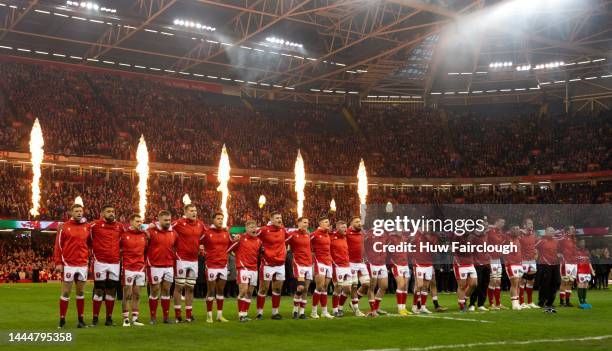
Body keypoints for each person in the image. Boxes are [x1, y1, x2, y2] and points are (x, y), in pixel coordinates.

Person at [54, 203, 91, 329]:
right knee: (65, 293)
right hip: (68, 264)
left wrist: (88, 257)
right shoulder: (64, 227)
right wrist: (58, 262)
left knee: (80, 292)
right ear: (71, 212)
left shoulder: (87, 227)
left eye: (80, 211)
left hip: (82, 264)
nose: (79, 213)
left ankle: (81, 320)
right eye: (76, 211)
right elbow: (58, 246)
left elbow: (91, 243)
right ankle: (62, 320)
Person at [90, 204, 124, 326]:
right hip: (100, 261)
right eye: (108, 211)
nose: (111, 213)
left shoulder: (119, 226)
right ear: (102, 213)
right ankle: (95, 318)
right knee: (99, 290)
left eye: (113, 211)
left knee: (111, 290)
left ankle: (109, 319)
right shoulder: (94, 225)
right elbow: (84, 232)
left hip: (115, 262)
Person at [172, 203, 206, 323]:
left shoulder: (201, 225)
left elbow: (205, 237)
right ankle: (177, 315)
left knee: (190, 288)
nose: (194, 212)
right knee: (179, 286)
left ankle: (188, 315)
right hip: (181, 258)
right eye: (191, 210)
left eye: (195, 210)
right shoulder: (179, 223)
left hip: (194, 260)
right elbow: (166, 226)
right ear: (185, 212)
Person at [146, 210, 177, 324]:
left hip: (169, 265)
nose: (168, 222)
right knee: (155, 290)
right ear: (159, 220)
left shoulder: (173, 232)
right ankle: (153, 317)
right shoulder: (151, 231)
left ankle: (166, 317)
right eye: (165, 220)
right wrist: (147, 226)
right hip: (154, 265)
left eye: (169, 220)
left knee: (166, 290)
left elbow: (176, 246)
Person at [201, 212, 232, 323]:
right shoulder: (207, 233)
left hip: (223, 264)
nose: (220, 220)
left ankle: (219, 315)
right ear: (213, 220)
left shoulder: (226, 233)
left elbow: (231, 245)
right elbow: (197, 242)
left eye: (221, 219)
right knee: (210, 291)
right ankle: (209, 316)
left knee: (220, 290)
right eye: (218, 218)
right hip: (211, 265)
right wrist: (202, 251)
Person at [256, 211, 288, 320]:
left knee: (277, 289)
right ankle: (259, 313)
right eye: (277, 218)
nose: (280, 220)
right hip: (267, 264)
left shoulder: (283, 229)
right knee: (264, 288)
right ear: (271, 219)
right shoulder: (264, 230)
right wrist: (260, 249)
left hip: (280, 264)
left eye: (281, 217)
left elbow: (291, 237)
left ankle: (275, 313)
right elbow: (252, 235)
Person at [228, 220, 262, 322]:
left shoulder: (259, 241)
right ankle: (241, 315)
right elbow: (229, 249)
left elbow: (260, 254)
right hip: (243, 268)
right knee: (243, 291)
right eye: (251, 227)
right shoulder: (241, 238)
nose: (253, 229)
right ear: (246, 229)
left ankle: (244, 313)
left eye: (255, 227)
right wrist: (234, 240)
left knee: (250, 292)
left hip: (254, 268)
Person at [120, 214, 147, 327]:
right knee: (128, 294)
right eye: (137, 221)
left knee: (137, 294)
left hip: (140, 267)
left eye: (141, 221)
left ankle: (135, 318)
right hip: (128, 267)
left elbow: (147, 250)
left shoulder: (144, 235)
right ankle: (126, 318)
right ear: (131, 222)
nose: (139, 223)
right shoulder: (124, 235)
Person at [285, 217, 312, 319]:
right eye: (304, 222)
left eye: (307, 222)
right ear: (299, 223)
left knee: (305, 289)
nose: (306, 224)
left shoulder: (308, 234)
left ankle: (302, 312)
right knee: (300, 287)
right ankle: (295, 310)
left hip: (309, 264)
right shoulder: (292, 234)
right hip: (298, 264)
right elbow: (282, 242)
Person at [310, 217, 335, 319]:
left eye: (328, 222)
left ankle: (324, 311)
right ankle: (313, 311)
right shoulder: (315, 234)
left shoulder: (328, 234)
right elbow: (306, 243)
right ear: (320, 223)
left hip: (328, 262)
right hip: (319, 262)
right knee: (319, 286)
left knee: (325, 287)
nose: (328, 224)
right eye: (325, 222)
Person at [364, 228, 389, 317]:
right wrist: (366, 259)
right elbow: (362, 246)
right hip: (372, 263)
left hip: (382, 263)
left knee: (384, 286)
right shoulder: (368, 234)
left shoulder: (385, 233)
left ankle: (376, 307)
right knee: (372, 287)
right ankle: (373, 310)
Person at [536, 227, 560, 313]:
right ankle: (541, 302)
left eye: (553, 231)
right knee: (545, 284)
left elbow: (560, 250)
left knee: (556, 283)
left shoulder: (556, 241)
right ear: (545, 232)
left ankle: (550, 302)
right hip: (545, 265)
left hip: (555, 265)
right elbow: (533, 247)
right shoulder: (541, 240)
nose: (552, 232)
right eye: (550, 231)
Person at [346, 216, 368, 317]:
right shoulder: (346, 232)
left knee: (366, 284)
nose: (359, 223)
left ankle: (352, 303)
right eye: (357, 222)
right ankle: (356, 309)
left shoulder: (362, 232)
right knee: (354, 286)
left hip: (362, 263)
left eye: (360, 221)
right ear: (351, 224)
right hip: (351, 263)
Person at [330, 221, 352, 317]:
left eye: (345, 227)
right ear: (337, 227)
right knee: (338, 288)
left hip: (346, 266)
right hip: (337, 266)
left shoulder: (346, 237)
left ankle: (340, 308)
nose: (345, 229)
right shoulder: (331, 237)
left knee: (348, 289)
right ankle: (335, 310)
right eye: (343, 227)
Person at [452, 231, 478, 312]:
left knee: (474, 284)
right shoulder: (458, 234)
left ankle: (464, 300)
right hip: (460, 264)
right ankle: (462, 305)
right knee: (462, 285)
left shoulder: (471, 236)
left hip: (470, 263)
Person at [468, 222, 491, 311]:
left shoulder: (486, 235)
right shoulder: (472, 236)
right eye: (484, 225)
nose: (486, 227)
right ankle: (472, 304)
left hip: (486, 263)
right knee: (476, 285)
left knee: (485, 284)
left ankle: (481, 304)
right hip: (476, 264)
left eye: (486, 225)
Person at [411, 231, 435, 314]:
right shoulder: (417, 234)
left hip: (428, 264)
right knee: (419, 285)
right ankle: (414, 306)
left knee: (425, 287)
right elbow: (411, 243)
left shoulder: (432, 237)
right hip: (418, 264)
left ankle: (423, 307)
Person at [388, 230, 411, 316]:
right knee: (401, 284)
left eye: (401, 228)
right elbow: (387, 250)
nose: (400, 230)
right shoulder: (392, 238)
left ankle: (404, 308)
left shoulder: (404, 238)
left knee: (405, 286)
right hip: (396, 265)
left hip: (405, 264)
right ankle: (399, 308)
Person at [486, 218, 506, 310]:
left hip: (498, 259)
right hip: (491, 259)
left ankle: (498, 303)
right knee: (493, 281)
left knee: (498, 281)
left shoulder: (500, 232)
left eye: (503, 223)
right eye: (501, 222)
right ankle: (491, 304)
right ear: (496, 222)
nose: (503, 224)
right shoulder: (490, 231)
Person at [519, 218, 538, 308]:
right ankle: (522, 303)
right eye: (529, 223)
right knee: (522, 281)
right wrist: (520, 231)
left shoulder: (534, 235)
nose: (531, 225)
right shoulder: (520, 234)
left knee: (531, 282)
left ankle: (530, 302)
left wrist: (536, 253)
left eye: (532, 223)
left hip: (532, 261)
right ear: (524, 225)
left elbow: (535, 247)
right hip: (523, 261)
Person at [504, 225, 524, 310]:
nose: (518, 230)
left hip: (519, 264)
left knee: (518, 283)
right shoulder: (507, 239)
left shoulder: (518, 239)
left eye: (518, 229)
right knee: (514, 283)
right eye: (516, 229)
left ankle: (517, 301)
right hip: (511, 264)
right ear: (511, 230)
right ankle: (514, 303)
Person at [558, 226, 577, 307]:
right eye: (572, 229)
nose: (574, 230)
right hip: (566, 263)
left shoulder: (574, 239)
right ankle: (562, 302)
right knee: (564, 282)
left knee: (571, 282)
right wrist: (558, 253)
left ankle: (567, 301)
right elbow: (556, 244)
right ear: (568, 230)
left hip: (574, 263)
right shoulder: (563, 238)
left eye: (574, 229)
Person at [575, 239, 595, 309]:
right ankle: (581, 301)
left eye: (584, 242)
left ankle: (584, 300)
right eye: (581, 242)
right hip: (580, 271)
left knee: (586, 285)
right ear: (578, 243)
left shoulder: (587, 251)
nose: (583, 243)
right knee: (581, 285)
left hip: (587, 271)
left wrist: (592, 270)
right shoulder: (576, 251)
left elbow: (589, 262)